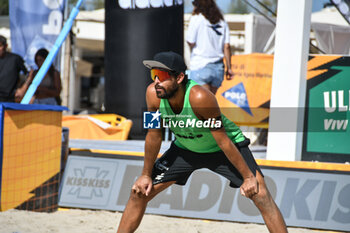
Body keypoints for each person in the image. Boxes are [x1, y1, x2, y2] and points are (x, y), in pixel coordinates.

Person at [117, 51, 287, 233]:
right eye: (154, 75)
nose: (157, 81)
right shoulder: (153, 95)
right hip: (185, 149)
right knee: (139, 193)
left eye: (163, 76)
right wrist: (145, 174)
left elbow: (223, 140)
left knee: (261, 194)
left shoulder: (200, 98)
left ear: (180, 77)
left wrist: (248, 178)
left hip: (222, 149)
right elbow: (154, 134)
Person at [186, 0, 234, 94]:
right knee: (211, 101)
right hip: (218, 68)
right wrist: (229, 68)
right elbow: (227, 46)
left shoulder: (197, 18)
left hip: (201, 65)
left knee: (203, 104)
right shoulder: (221, 21)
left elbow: (190, 41)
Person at [0, 35, 28, 102]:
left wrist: (23, 89)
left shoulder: (15, 59)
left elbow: (30, 73)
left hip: (10, 100)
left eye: (0, 46)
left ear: (6, 46)